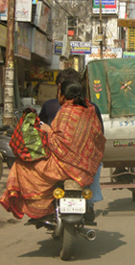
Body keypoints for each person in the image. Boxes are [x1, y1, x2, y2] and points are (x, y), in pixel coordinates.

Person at [0, 80, 105, 221]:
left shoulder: (65, 112)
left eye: (59, 92)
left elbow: (57, 143)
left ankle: (41, 208)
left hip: (64, 166)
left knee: (21, 166)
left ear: (63, 95)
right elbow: (98, 138)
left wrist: (48, 131)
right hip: (86, 167)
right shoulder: (90, 110)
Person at [38, 68, 104, 221]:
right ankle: (90, 205)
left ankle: (43, 205)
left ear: (61, 88)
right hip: (84, 163)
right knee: (96, 163)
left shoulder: (54, 107)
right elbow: (99, 135)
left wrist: (49, 133)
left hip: (59, 161)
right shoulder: (91, 108)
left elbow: (42, 130)